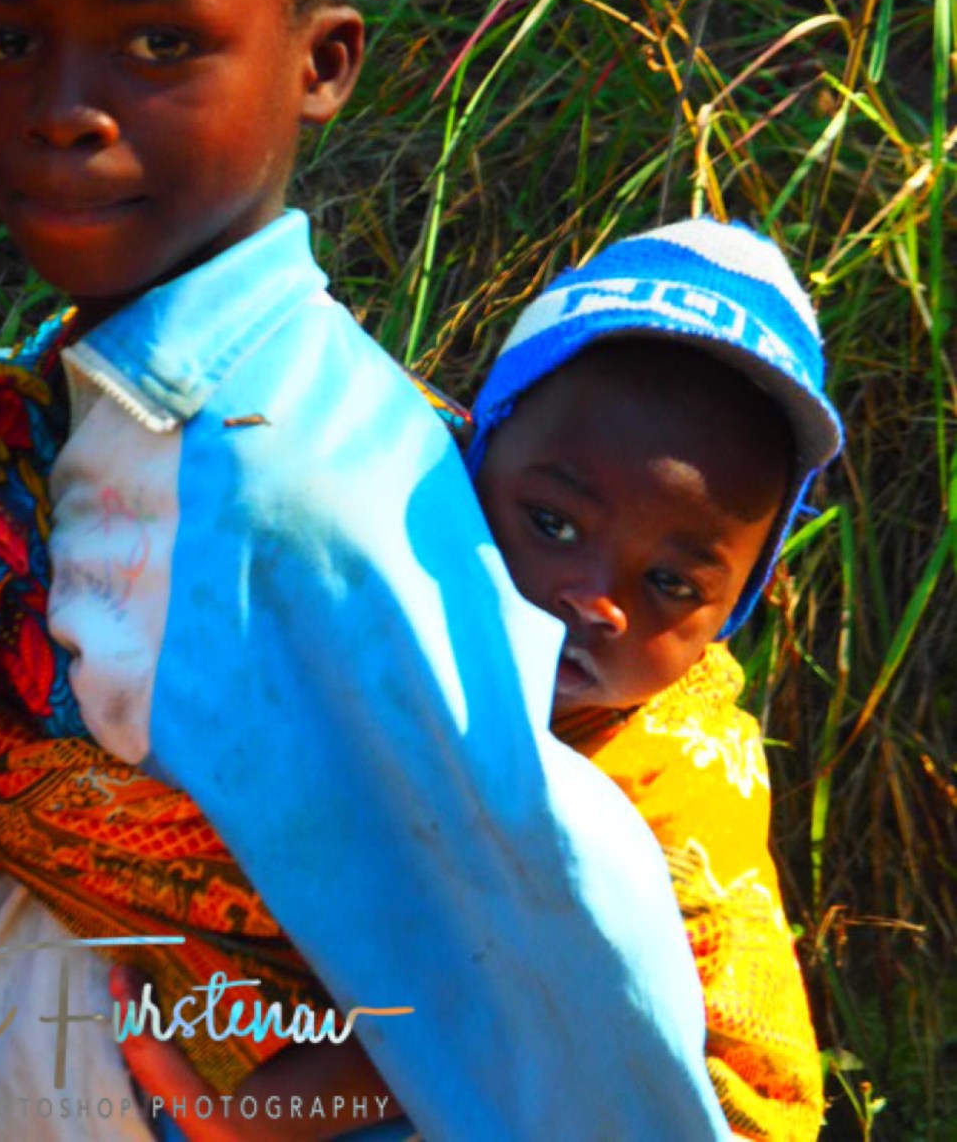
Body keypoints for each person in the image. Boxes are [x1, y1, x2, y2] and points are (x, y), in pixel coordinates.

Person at [0, 0, 729, 1142]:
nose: (62, 112)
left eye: (160, 42)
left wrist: (267, 1115)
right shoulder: (78, 392)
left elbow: (554, 911)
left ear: (321, 64)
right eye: (6, 40)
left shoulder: (286, 475)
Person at [126, 218, 839, 1142]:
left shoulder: (680, 773)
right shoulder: (390, 550)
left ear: (740, 605)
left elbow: (517, 990)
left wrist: (249, 1122)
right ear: (475, 452)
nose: (594, 598)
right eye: (551, 522)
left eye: (670, 583)